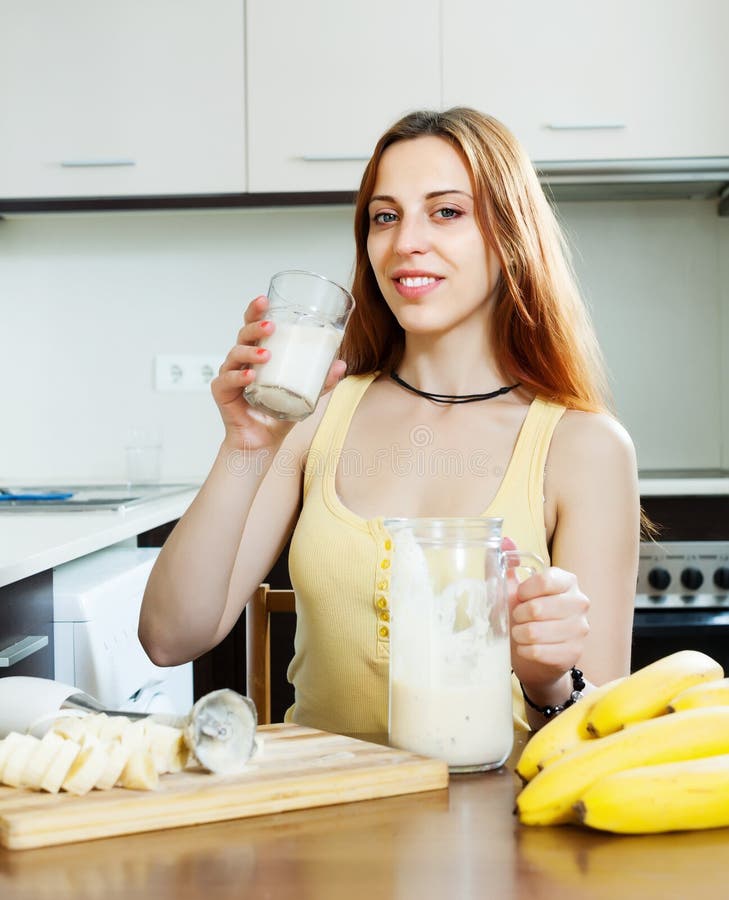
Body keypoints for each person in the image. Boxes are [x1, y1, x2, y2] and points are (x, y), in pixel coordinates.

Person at [139, 107, 641, 735]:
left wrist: (547, 680)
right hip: (321, 816)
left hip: (496, 825)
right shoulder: (316, 418)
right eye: (385, 217)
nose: (406, 242)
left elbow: (600, 736)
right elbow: (168, 636)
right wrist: (245, 444)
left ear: (509, 235)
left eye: (447, 212)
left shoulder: (585, 447)